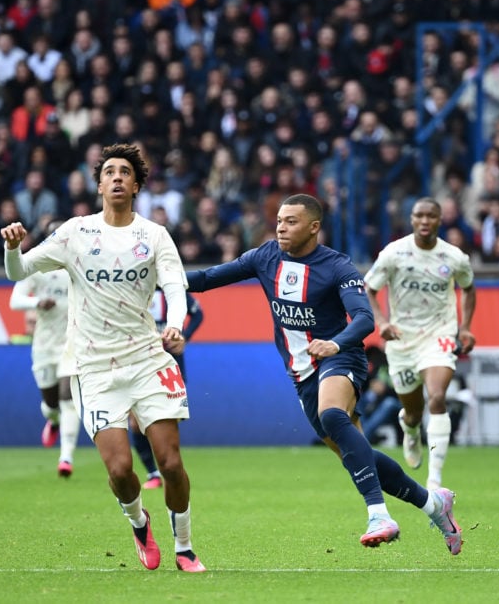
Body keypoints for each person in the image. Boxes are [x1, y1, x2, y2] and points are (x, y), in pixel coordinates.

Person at [186, 194, 462, 555]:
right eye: (280, 221)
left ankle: (379, 515)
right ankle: (433, 505)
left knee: (332, 415)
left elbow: (364, 318)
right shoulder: (264, 257)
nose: (281, 227)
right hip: (302, 374)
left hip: (341, 358)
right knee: (356, 454)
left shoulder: (338, 267)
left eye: (291, 222)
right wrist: (153, 279)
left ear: (314, 227)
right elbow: (206, 279)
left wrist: (335, 344)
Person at [0, 143, 205, 573]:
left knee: (170, 462)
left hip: (148, 358)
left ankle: (184, 547)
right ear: (98, 185)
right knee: (120, 470)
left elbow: (174, 287)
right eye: (109, 171)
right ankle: (139, 522)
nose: (116, 177)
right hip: (94, 368)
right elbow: (18, 273)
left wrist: (176, 323)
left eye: (124, 172)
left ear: (136, 185)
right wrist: (13, 249)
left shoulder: (154, 235)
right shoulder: (75, 232)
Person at [364, 197, 477, 491]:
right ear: (411, 219)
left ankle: (435, 480)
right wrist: (382, 322)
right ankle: (410, 429)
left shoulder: (454, 257)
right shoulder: (394, 253)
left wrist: (464, 328)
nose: (425, 221)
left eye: (431, 216)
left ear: (440, 221)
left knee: (437, 397)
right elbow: (370, 288)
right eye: (419, 216)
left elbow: (468, 288)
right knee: (413, 411)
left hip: (439, 335)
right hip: (402, 340)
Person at [9, 240, 81, 478]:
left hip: (71, 343)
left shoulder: (80, 266)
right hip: (43, 345)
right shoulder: (38, 266)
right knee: (51, 405)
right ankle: (53, 420)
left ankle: (66, 458)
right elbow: (15, 300)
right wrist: (37, 302)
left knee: (67, 398)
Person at [134, 287, 204, 490]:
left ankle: (171, 470)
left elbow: (198, 314)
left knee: (167, 420)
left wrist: (184, 337)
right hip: (139, 362)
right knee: (136, 422)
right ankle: (153, 473)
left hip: (170, 364)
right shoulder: (133, 284)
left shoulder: (171, 288)